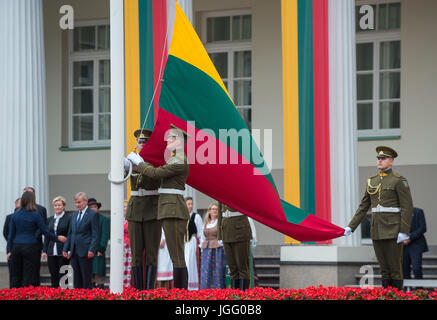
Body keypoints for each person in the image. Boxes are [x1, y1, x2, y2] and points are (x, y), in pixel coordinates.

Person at [128, 125, 190, 289]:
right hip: (168, 208)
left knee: (176, 255)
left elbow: (155, 174)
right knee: (175, 254)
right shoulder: (173, 158)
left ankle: (180, 293)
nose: (167, 140)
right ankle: (177, 292)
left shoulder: (178, 159)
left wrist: (139, 163)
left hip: (173, 209)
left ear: (178, 141)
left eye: (171, 138)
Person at [344, 146, 413, 290]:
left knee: (395, 267)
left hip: (394, 230)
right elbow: (363, 207)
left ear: (391, 161)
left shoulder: (399, 180)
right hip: (377, 229)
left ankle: (396, 295)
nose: (380, 161)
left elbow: (407, 207)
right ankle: (387, 295)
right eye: (379, 158)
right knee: (383, 268)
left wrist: (403, 231)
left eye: (384, 158)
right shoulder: (372, 181)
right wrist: (351, 226)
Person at [124, 128, 161, 290]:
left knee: (152, 254)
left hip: (152, 210)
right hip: (135, 210)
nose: (142, 144)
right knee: (136, 255)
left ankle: (149, 290)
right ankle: (138, 291)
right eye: (140, 142)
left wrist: (140, 163)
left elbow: (154, 175)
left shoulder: (156, 161)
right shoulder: (130, 161)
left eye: (145, 142)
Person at [7, 191, 66, 288]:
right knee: (28, 276)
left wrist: (9, 250)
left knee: (16, 275)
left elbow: (11, 235)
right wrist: (57, 238)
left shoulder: (15, 215)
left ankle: (15, 296)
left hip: (16, 247)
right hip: (31, 247)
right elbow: (45, 232)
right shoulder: (35, 215)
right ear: (32, 201)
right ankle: (25, 296)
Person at [63, 192, 100, 289]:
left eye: (79, 202)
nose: (77, 205)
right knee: (76, 279)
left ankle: (87, 296)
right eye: (76, 203)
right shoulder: (74, 215)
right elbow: (70, 233)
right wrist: (65, 248)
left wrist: (92, 249)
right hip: (74, 250)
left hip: (86, 250)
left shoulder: (93, 215)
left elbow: (95, 234)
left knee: (86, 278)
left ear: (86, 201)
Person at [218, 202, 252, 291]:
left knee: (242, 268)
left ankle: (243, 295)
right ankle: (235, 295)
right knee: (232, 268)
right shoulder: (222, 190)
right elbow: (220, 213)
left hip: (240, 230)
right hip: (226, 230)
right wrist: (220, 235)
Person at [42, 196, 70, 288]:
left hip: (63, 251)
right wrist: (44, 250)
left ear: (63, 206)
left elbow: (70, 235)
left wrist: (68, 250)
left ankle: (64, 295)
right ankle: (54, 294)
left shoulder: (68, 218)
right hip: (51, 251)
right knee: (53, 275)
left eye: (59, 205)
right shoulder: (49, 219)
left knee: (63, 275)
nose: (57, 207)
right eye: (55, 205)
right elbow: (47, 236)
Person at [23, 187, 47, 286]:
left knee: (35, 269)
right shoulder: (18, 209)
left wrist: (32, 237)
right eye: (24, 193)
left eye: (28, 193)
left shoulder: (41, 209)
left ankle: (36, 291)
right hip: (21, 245)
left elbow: (42, 226)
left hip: (35, 244)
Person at [200, 203, 226, 289]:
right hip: (206, 249)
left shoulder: (220, 222)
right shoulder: (206, 223)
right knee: (206, 271)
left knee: (217, 271)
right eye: (213, 209)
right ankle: (206, 290)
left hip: (217, 249)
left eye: (216, 209)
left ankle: (218, 290)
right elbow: (202, 237)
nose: (215, 210)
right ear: (209, 211)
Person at [88, 198, 110, 289]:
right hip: (87, 251)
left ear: (98, 208)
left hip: (98, 251)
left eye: (95, 207)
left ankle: (101, 293)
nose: (93, 208)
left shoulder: (104, 219)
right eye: (91, 207)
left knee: (98, 274)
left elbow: (105, 236)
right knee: (89, 275)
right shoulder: (85, 219)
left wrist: (101, 248)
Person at [402, 207, 428, 283]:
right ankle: (407, 291)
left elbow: (423, 228)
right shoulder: (397, 213)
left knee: (416, 268)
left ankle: (419, 290)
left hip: (416, 244)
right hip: (403, 246)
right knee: (404, 269)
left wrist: (410, 237)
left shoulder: (418, 211)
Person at [184, 197, 203, 290]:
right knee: (184, 264)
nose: (190, 206)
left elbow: (200, 232)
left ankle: (192, 287)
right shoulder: (182, 216)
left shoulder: (196, 217)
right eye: (188, 204)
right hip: (183, 244)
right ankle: (184, 285)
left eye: (191, 204)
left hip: (192, 243)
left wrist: (200, 246)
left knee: (190, 264)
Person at [3, 198, 21, 288]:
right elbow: (5, 233)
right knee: (13, 274)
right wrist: (13, 243)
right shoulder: (9, 217)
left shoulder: (29, 216)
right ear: (16, 204)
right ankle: (13, 293)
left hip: (25, 249)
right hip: (12, 249)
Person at [123, 201, 133, 288]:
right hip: (122, 247)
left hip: (129, 246)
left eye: (125, 206)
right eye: (123, 207)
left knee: (128, 268)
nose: (124, 208)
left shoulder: (131, 221)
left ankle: (128, 287)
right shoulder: (119, 221)